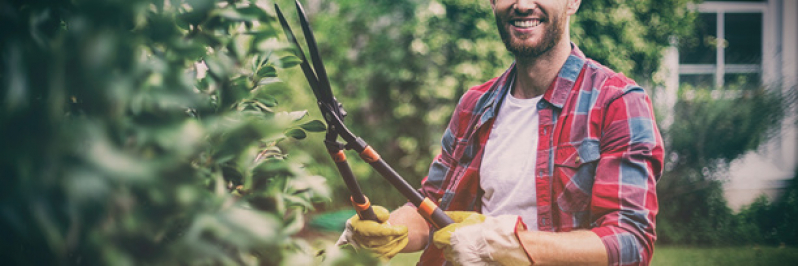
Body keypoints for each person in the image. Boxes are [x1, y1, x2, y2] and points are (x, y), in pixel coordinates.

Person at [337, 0, 664, 265]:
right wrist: (389, 230)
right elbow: (432, 207)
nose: (522, 5)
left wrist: (512, 245)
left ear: (573, 2)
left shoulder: (616, 102)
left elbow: (630, 242)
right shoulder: (475, 105)